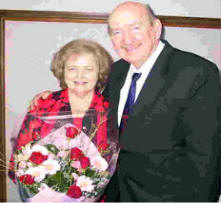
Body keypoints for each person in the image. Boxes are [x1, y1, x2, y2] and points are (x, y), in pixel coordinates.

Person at [29, 1, 221, 201]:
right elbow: (93, 112)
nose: (127, 39)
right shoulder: (118, 71)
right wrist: (52, 98)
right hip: (116, 194)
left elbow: (206, 159)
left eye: (135, 28)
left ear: (156, 28)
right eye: (117, 32)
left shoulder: (195, 72)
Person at [9, 39, 114, 185]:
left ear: (99, 72)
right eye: (72, 68)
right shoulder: (44, 106)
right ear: (62, 71)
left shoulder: (110, 111)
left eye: (88, 69)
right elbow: (19, 159)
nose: (80, 75)